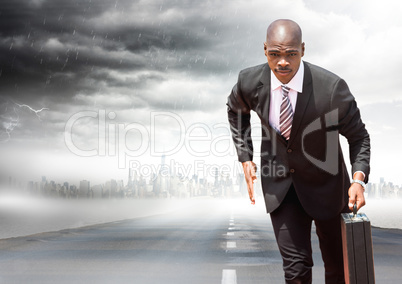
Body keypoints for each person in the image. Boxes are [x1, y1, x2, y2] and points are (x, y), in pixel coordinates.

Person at [227, 19, 370, 283]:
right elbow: (235, 110)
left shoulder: (332, 89)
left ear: (302, 50)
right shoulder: (249, 81)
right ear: (265, 50)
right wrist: (245, 157)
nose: (283, 62)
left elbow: (359, 137)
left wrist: (358, 180)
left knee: (337, 268)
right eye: (275, 54)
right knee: (296, 268)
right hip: (281, 187)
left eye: (291, 54)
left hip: (327, 186)